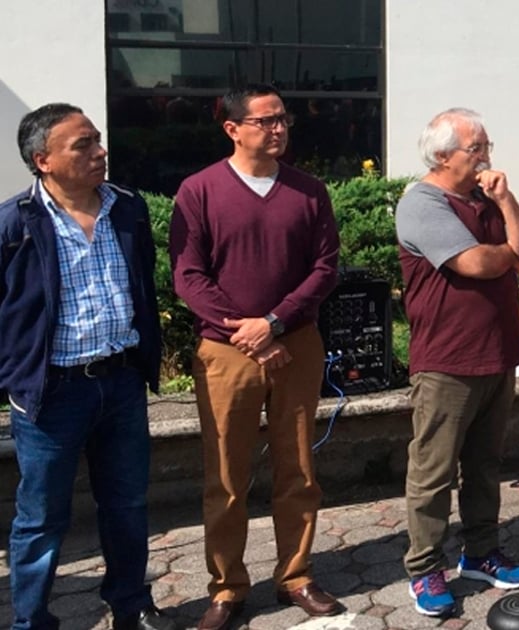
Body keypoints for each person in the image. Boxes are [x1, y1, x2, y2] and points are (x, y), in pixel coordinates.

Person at [169, 83, 343, 630]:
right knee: (225, 474)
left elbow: (325, 268)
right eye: (266, 121)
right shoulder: (199, 191)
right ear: (232, 129)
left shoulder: (308, 191)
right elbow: (188, 274)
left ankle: (296, 574)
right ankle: (227, 587)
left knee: (299, 467)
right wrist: (245, 330)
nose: (279, 128)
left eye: (283, 118)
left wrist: (274, 322)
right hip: (227, 353)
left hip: (295, 344)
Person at [0, 103, 176, 630]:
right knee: (41, 518)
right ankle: (31, 621)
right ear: (43, 160)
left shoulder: (127, 207)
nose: (101, 152)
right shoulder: (14, 223)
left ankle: (131, 605)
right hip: (51, 394)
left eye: (98, 140)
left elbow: (142, 284)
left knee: (126, 504)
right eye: (84, 145)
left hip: (120, 383)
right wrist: (15, 374)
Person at [395, 108, 519, 617]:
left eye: (486, 146)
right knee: (433, 471)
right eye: (475, 147)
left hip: (497, 353)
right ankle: (424, 567)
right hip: (447, 360)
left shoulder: (486, 198)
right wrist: (508, 254)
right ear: (442, 155)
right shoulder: (422, 204)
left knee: (484, 464)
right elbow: (475, 263)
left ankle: (481, 552)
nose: (485, 156)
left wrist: (506, 201)